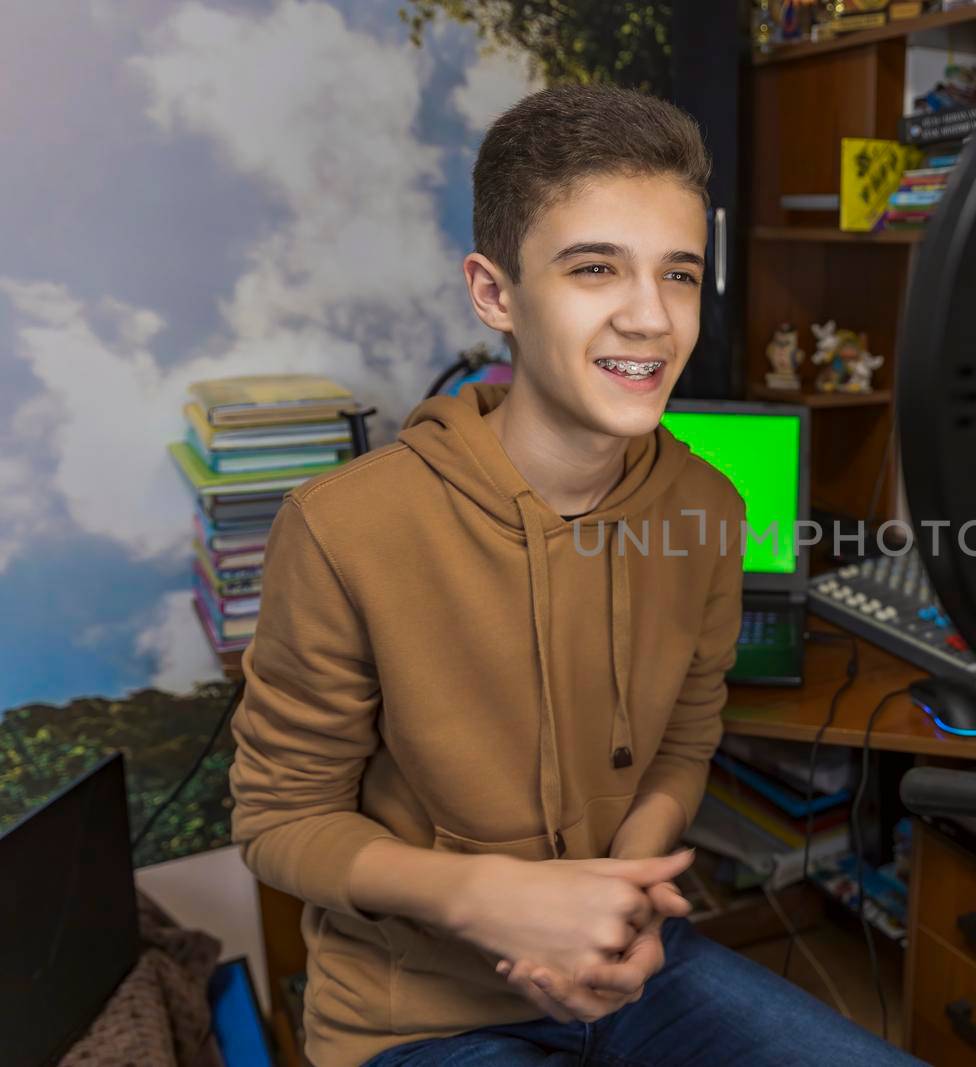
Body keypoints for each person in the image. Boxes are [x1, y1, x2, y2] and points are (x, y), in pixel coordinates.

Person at [229, 85, 922, 1067]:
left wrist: (627, 884)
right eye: (596, 268)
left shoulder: (712, 508)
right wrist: (489, 898)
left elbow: (688, 731)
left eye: (678, 275)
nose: (651, 318)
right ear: (495, 292)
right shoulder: (343, 526)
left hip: (637, 966)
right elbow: (280, 820)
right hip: (421, 1011)